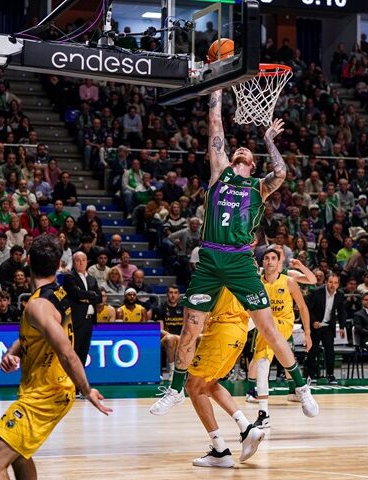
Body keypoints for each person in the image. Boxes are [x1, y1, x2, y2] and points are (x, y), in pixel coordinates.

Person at [149, 89, 318, 417]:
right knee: (190, 328)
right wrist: (217, 88)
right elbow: (215, 127)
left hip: (241, 260)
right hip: (210, 259)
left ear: (253, 164)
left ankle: (302, 387)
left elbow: (281, 173)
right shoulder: (220, 174)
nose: (240, 148)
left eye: (247, 151)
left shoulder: (259, 187)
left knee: (268, 329)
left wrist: (268, 140)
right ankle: (174, 390)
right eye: (237, 149)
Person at [0, 235, 111, 480]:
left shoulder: (38, 306)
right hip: (44, 388)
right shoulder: (58, 294)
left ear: (28, 261)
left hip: (46, 393)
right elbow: (40, 333)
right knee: (20, 453)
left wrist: (87, 390)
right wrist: (12, 353)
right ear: (59, 264)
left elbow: (67, 353)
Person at [186, 288, 264, 468]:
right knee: (209, 384)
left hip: (222, 327)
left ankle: (220, 450)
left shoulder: (220, 270)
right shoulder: (248, 273)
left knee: (193, 387)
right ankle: (247, 428)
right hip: (240, 330)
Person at [246, 247, 311, 428]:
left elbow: (303, 308)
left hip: (283, 324)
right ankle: (264, 413)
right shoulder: (257, 283)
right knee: (261, 363)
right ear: (262, 262)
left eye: (273, 258)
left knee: (268, 358)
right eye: (266, 258)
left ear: (279, 261)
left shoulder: (289, 281)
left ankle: (300, 389)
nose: (269, 261)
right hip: (265, 326)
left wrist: (307, 334)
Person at [62, 252, 101, 375]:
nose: (81, 263)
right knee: (75, 351)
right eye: (78, 260)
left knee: (84, 352)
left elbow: (99, 297)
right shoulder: (70, 277)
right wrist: (91, 295)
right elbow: (76, 294)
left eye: (83, 260)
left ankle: (80, 381)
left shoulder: (92, 279)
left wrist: (87, 297)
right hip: (76, 320)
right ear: (74, 262)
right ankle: (71, 380)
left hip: (89, 321)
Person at [304, 273, 346, 382]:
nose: (333, 285)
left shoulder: (340, 295)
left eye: (335, 283)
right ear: (326, 282)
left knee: (330, 351)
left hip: (328, 326)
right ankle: (310, 375)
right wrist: (313, 321)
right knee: (313, 350)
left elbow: (342, 311)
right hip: (315, 326)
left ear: (338, 285)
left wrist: (342, 327)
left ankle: (330, 375)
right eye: (331, 282)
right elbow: (307, 309)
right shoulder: (316, 292)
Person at [153, 285, 184, 381]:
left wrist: (180, 338)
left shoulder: (184, 309)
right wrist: (174, 337)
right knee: (170, 339)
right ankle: (172, 371)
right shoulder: (160, 308)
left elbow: (186, 327)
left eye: (175, 293)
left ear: (179, 295)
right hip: (165, 339)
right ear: (167, 294)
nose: (173, 295)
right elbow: (160, 329)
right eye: (171, 293)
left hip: (181, 338)